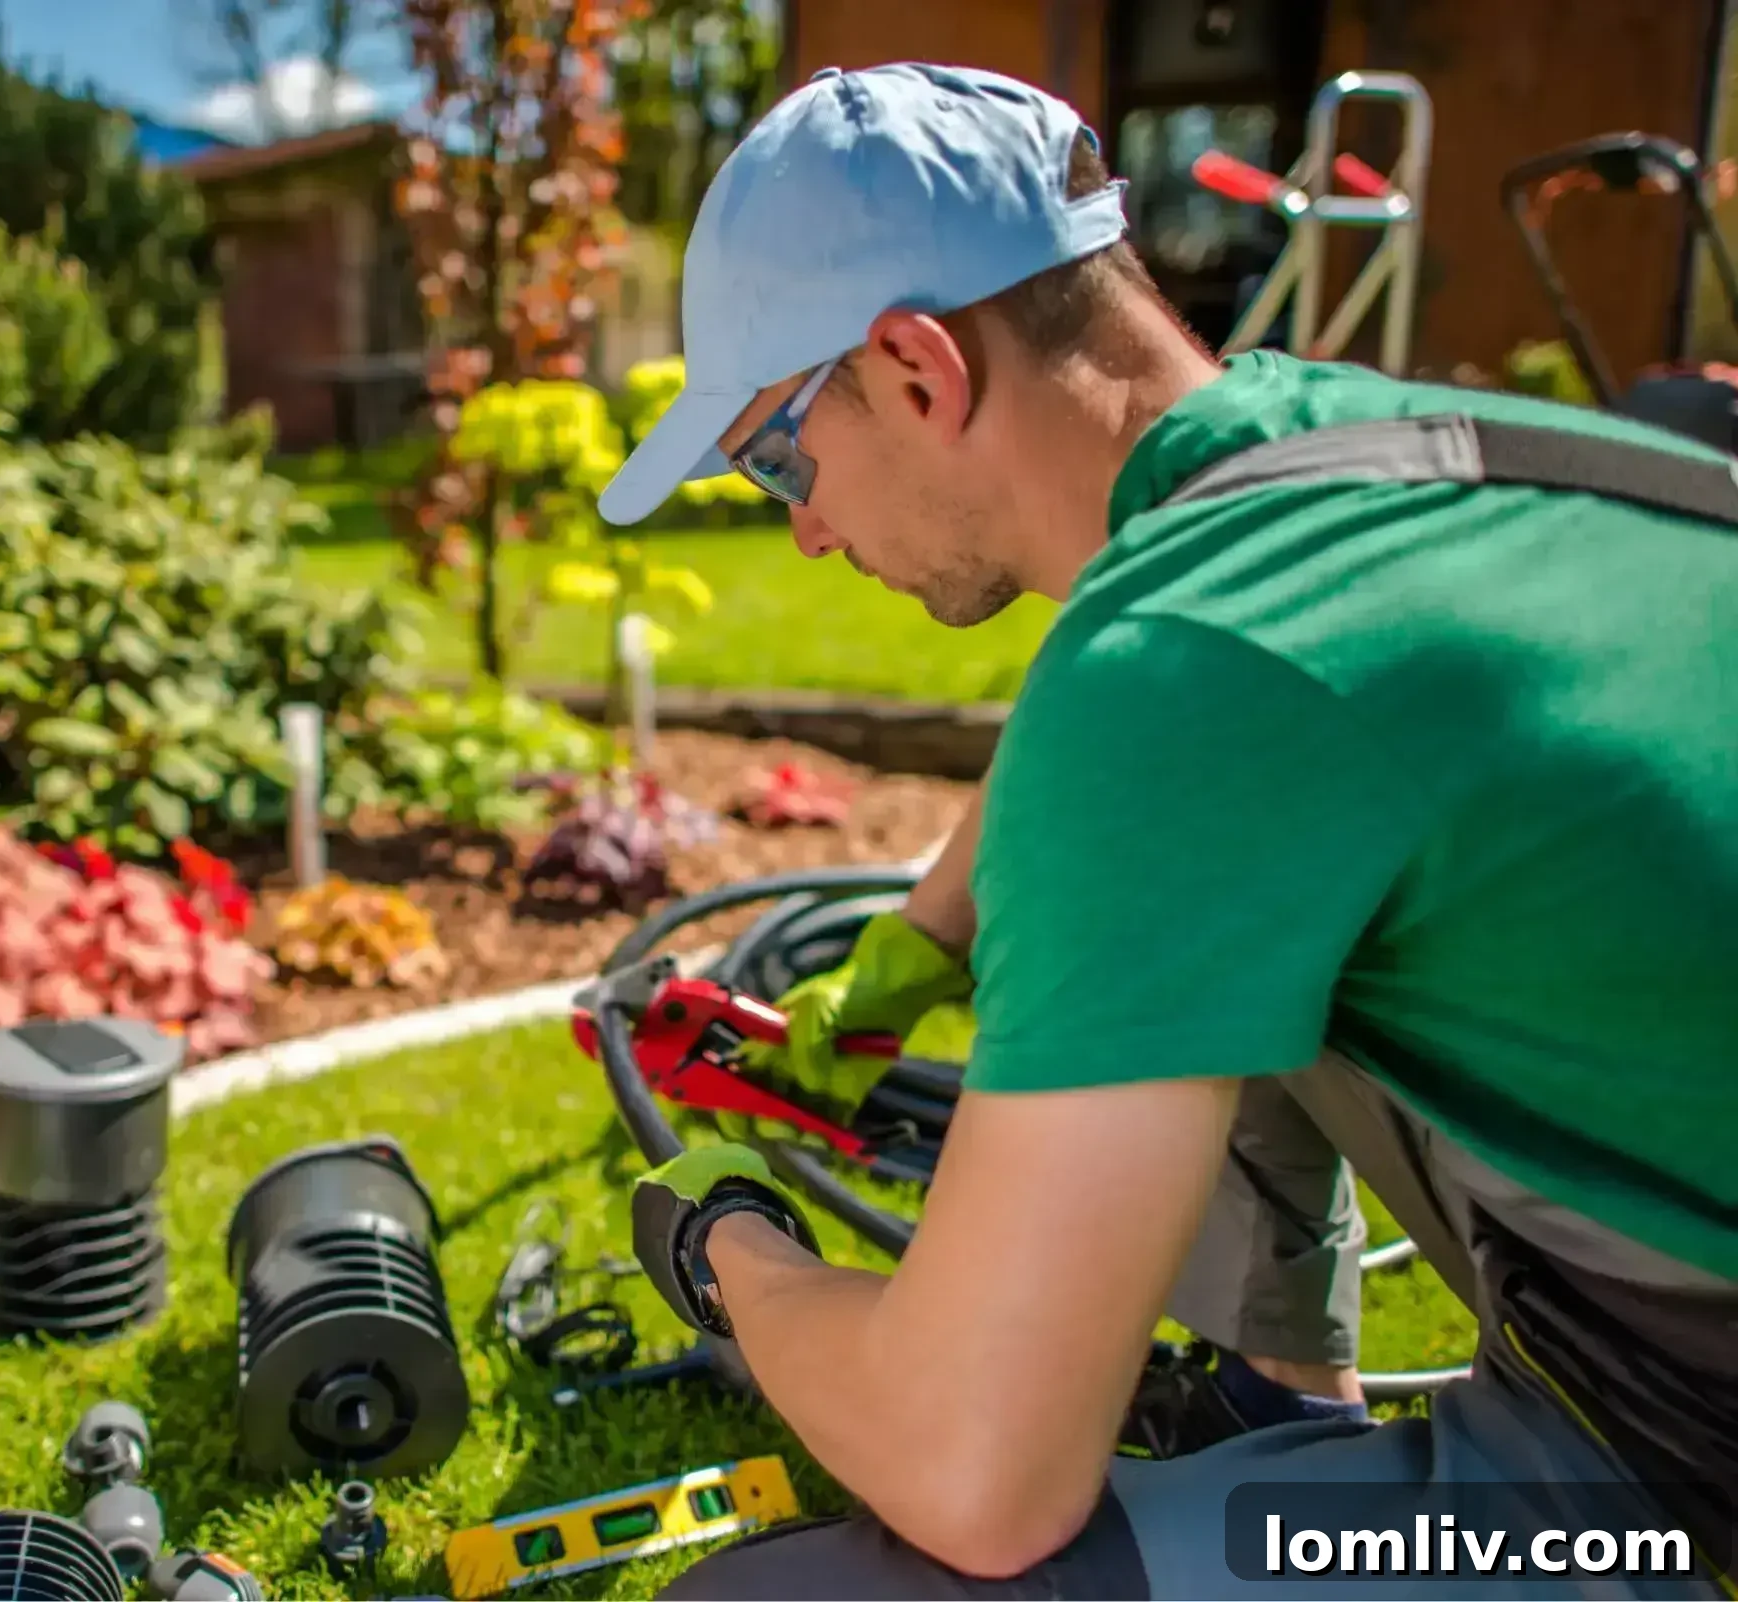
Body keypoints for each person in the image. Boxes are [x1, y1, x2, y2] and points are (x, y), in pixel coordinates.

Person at [597, 62, 1738, 1600]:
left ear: (919, 368)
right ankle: (1282, 1404)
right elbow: (1192, 751)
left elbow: (971, 1475)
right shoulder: (1342, 456)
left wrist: (730, 1251)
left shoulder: (1185, 672)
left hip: (1678, 1464)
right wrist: (917, 945)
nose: (800, 523)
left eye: (777, 456)